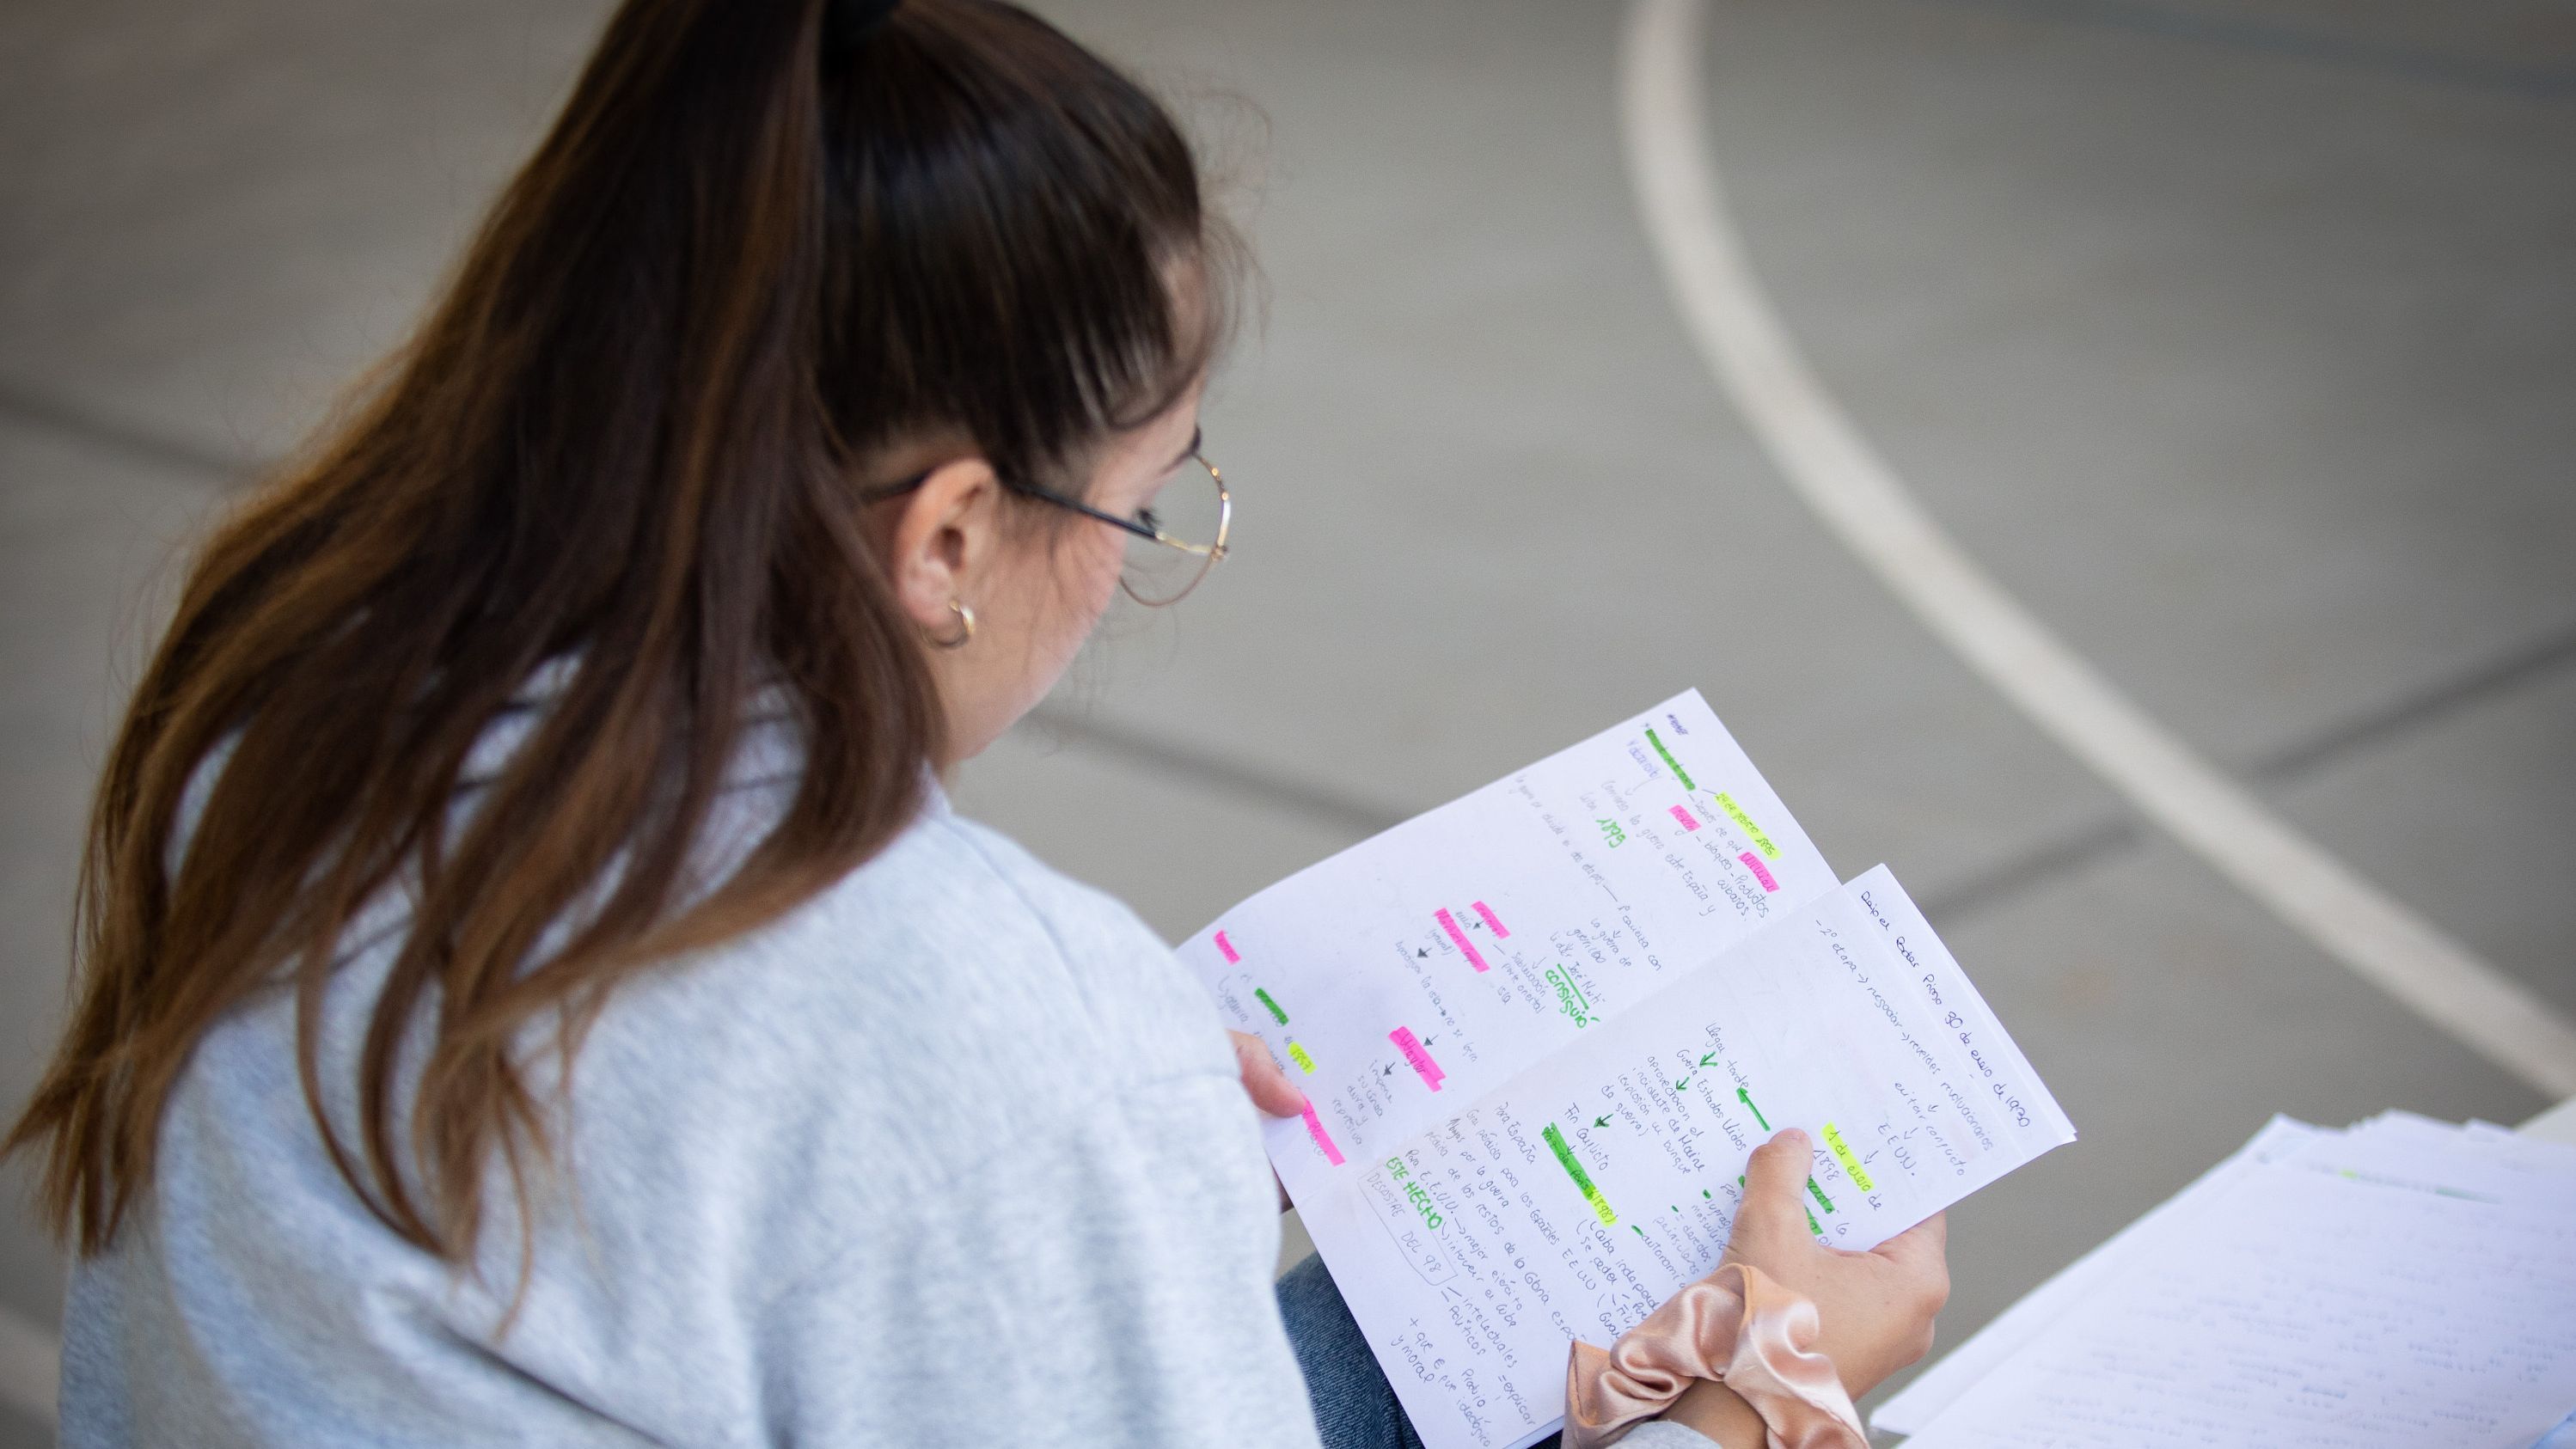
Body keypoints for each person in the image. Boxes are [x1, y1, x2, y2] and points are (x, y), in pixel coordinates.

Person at [3, 1, 1948, 1446]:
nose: (1134, 561)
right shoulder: (974, 1023)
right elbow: (851, 1080)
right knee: (1718, 1332)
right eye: (1146, 502)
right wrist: (1759, 1409)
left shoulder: (301, 691)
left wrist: (1070, 1149)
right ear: (945, 529)